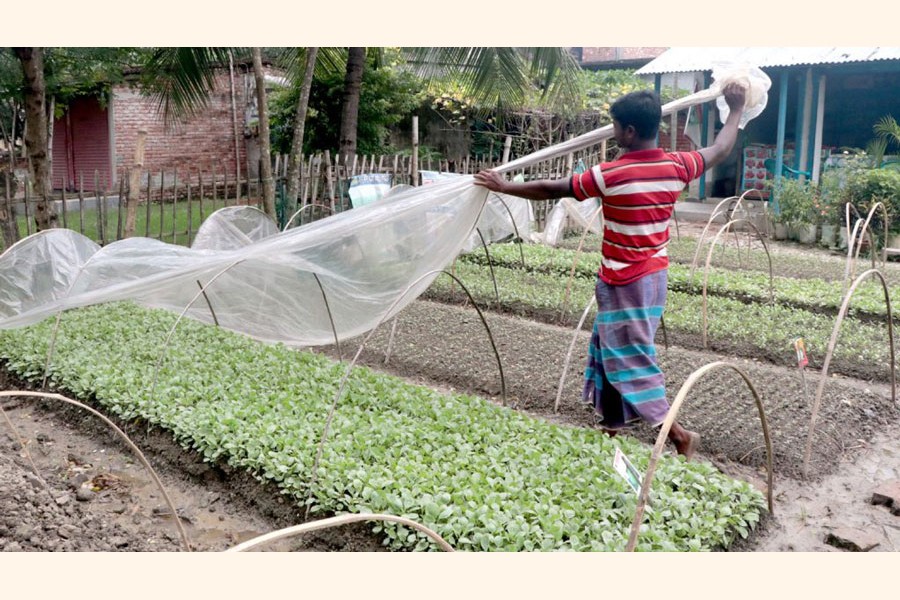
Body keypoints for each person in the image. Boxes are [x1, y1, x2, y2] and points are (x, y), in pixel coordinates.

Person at [474, 83, 747, 460]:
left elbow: (554, 189)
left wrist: (506, 186)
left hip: (626, 281)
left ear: (630, 132)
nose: (614, 133)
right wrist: (735, 110)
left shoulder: (612, 175)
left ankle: (678, 433)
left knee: (630, 355)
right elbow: (720, 148)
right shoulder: (678, 166)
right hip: (653, 278)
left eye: (616, 127)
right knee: (608, 347)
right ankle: (612, 425)